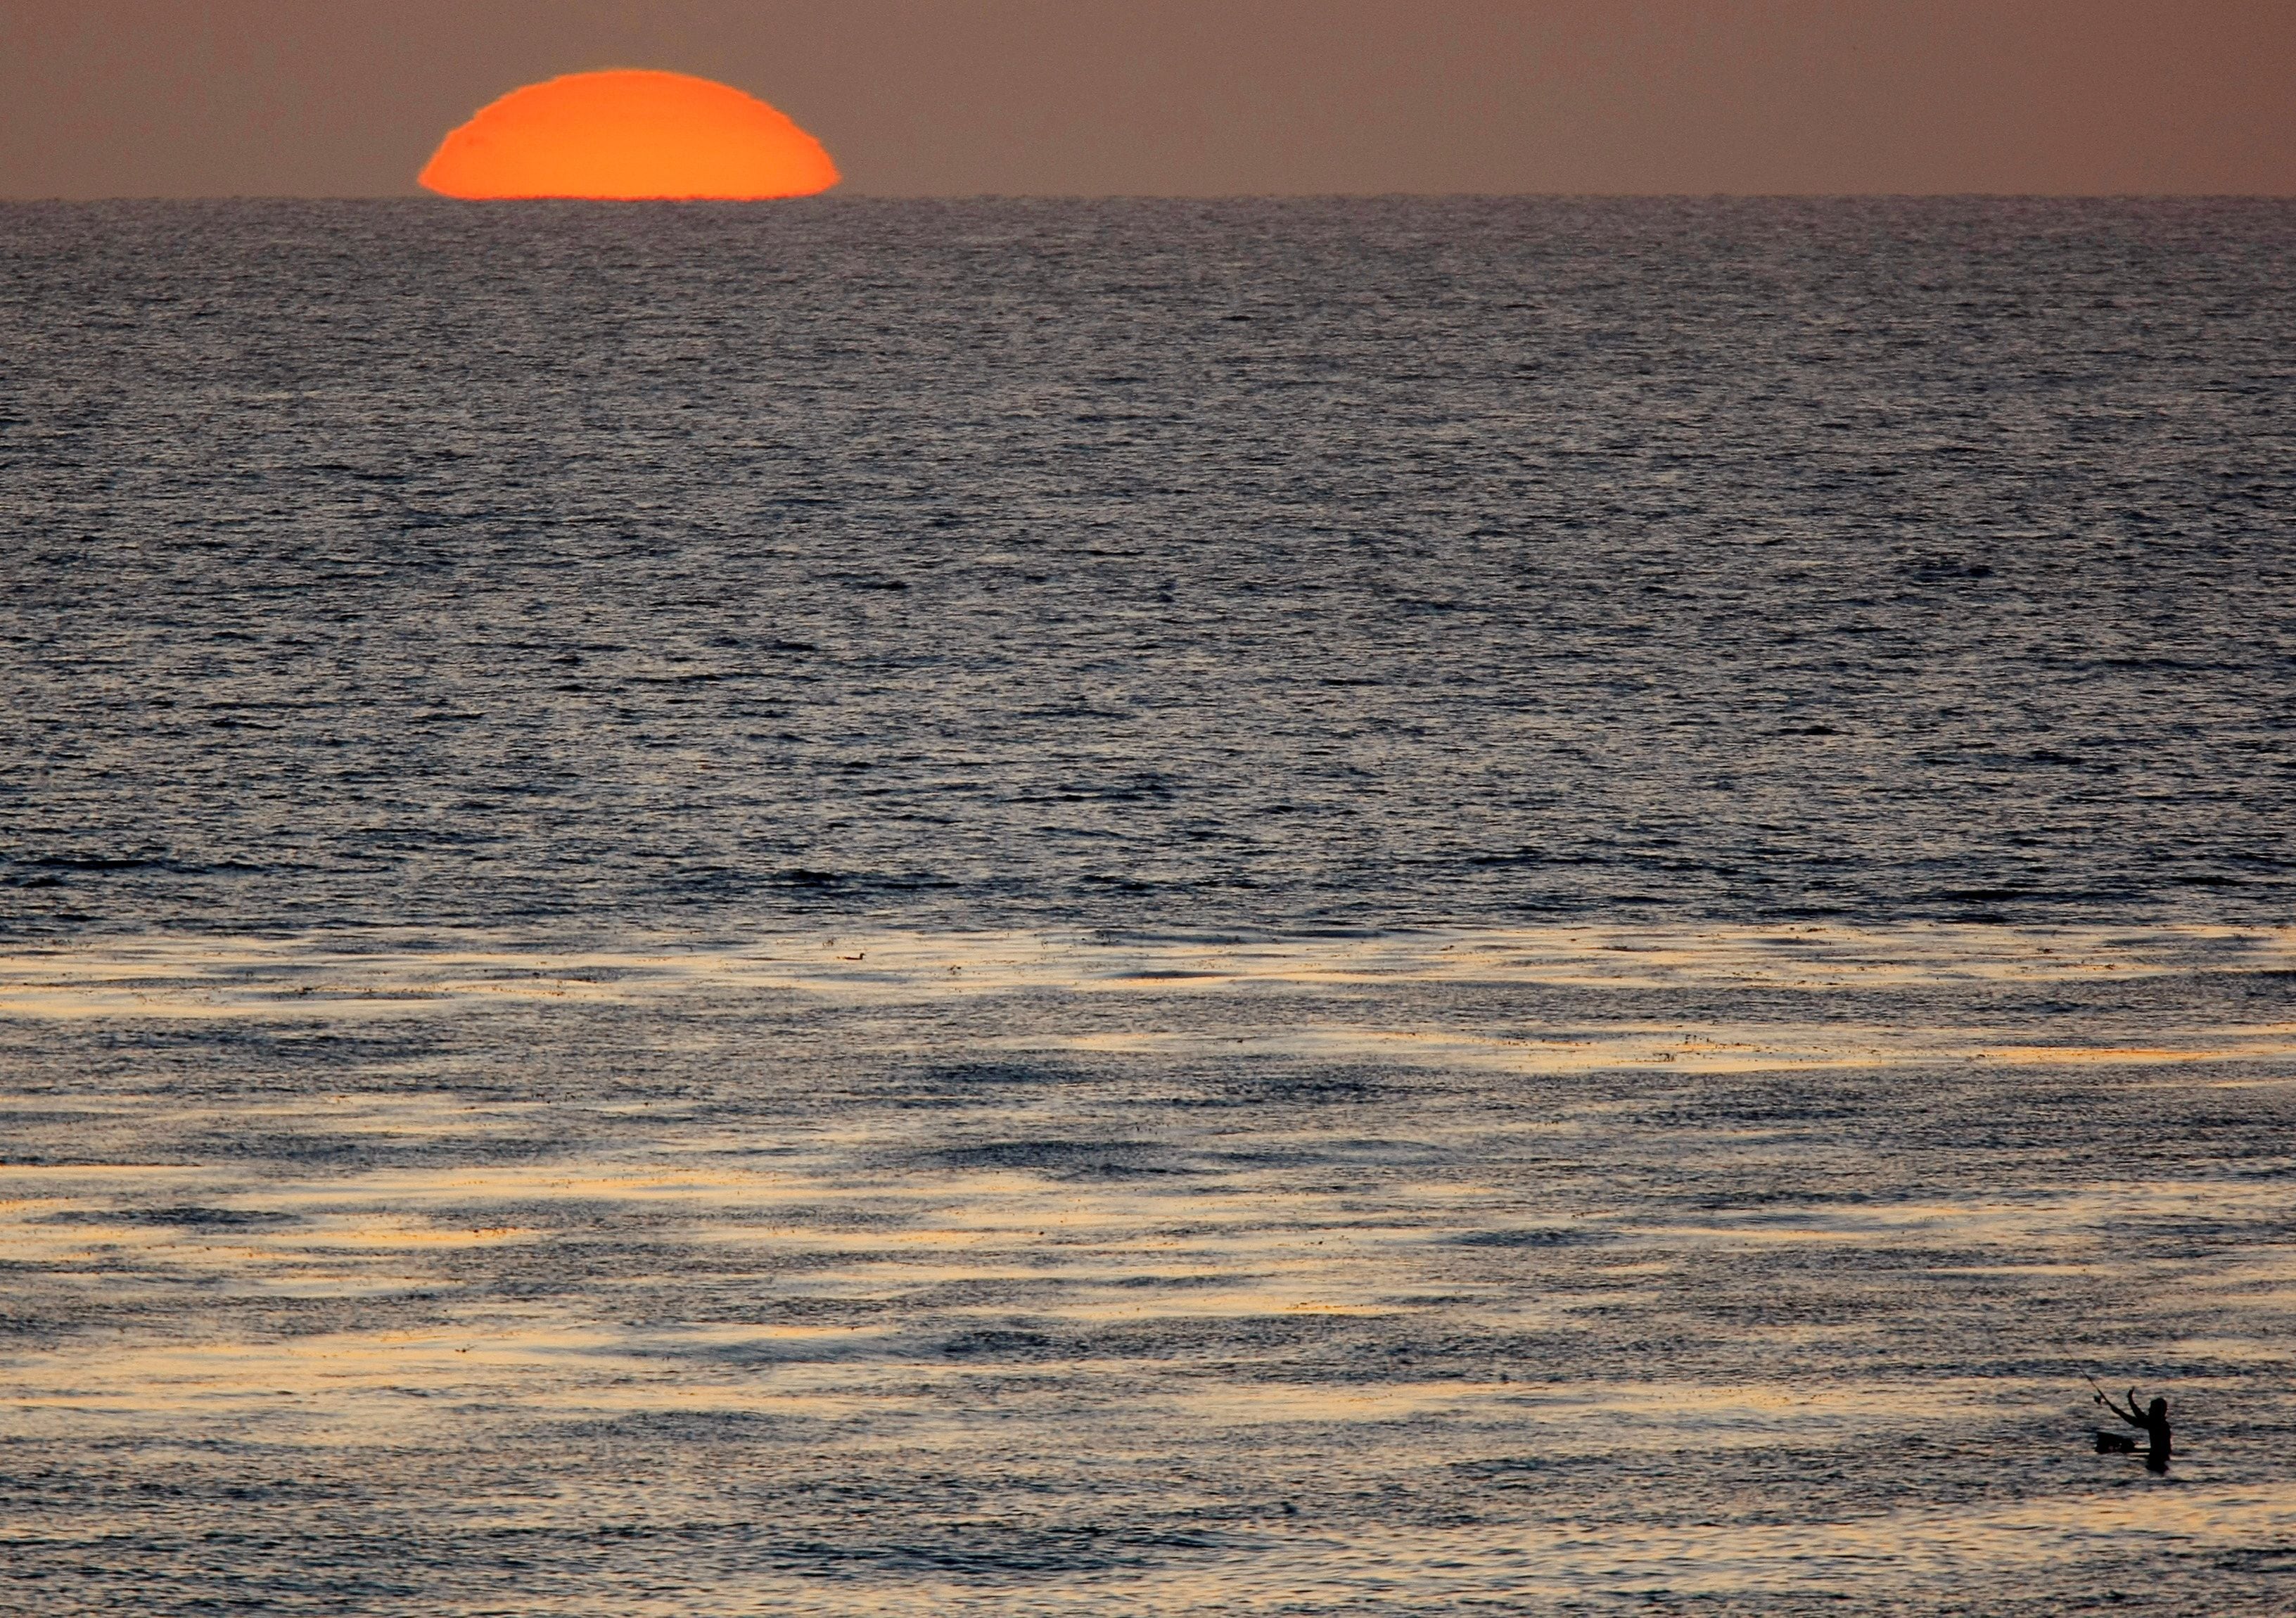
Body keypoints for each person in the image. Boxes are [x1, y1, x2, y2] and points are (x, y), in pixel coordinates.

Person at [2097, 1386, 2171, 1472]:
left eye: (2151, 1408)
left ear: (2157, 1411)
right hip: (2161, 1455)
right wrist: (2129, 1401)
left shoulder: (2158, 1425)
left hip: (2158, 1456)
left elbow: (2136, 1420)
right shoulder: (2159, 1423)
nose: (2149, 1410)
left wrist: (2119, 1411)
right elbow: (2140, 1417)